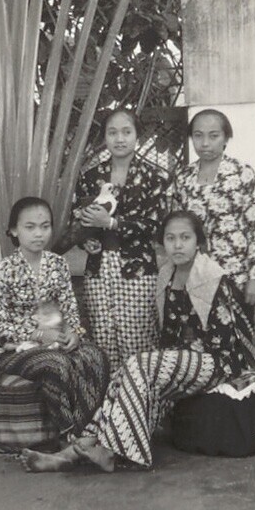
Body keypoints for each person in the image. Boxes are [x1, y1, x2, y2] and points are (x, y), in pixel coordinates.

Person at [20, 210, 255, 472]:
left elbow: (224, 343)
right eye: (170, 238)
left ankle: (112, 452)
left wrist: (169, 362)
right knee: (126, 371)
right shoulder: (167, 275)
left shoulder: (212, 277)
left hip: (217, 362)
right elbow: (168, 336)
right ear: (163, 243)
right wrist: (166, 365)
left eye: (185, 238)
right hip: (184, 362)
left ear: (198, 242)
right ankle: (74, 451)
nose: (178, 245)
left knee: (140, 364)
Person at [0, 197, 109, 441]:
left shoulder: (58, 264)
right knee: (57, 364)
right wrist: (39, 334)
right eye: (30, 227)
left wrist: (74, 333)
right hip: (16, 350)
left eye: (45, 226)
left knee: (95, 356)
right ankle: (68, 436)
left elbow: (70, 309)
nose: (38, 234)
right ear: (14, 230)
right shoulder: (5, 269)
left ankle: (88, 433)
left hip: (57, 341)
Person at [72, 108, 167, 368]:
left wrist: (112, 223)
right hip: (98, 270)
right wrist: (86, 240)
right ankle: (109, 394)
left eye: (127, 132)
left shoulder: (154, 177)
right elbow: (78, 217)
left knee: (139, 345)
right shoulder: (91, 177)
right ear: (105, 137)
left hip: (137, 270)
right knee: (103, 341)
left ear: (137, 136)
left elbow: (156, 225)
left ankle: (141, 394)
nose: (120, 138)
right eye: (112, 132)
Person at [166, 108, 255, 309]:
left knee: (234, 328)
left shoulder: (242, 173)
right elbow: (175, 227)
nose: (205, 143)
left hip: (234, 274)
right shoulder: (183, 177)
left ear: (226, 138)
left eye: (213, 136)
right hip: (193, 275)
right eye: (198, 136)